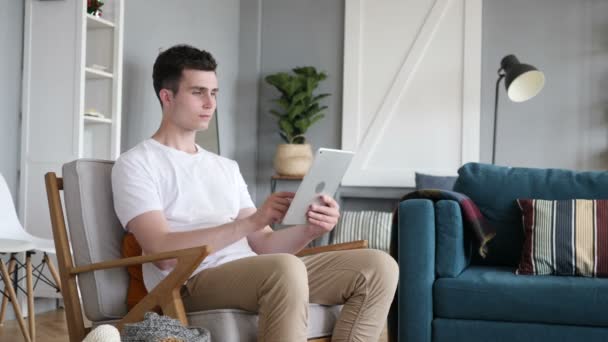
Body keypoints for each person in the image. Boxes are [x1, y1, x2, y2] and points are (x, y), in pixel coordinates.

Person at [111, 44, 398, 342]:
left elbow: (265, 244)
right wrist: (249, 222)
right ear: (167, 97)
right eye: (198, 92)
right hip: (190, 281)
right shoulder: (136, 164)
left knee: (378, 267)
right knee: (284, 270)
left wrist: (310, 229)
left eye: (215, 92)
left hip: (257, 270)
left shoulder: (225, 167)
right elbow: (162, 253)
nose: (210, 103)